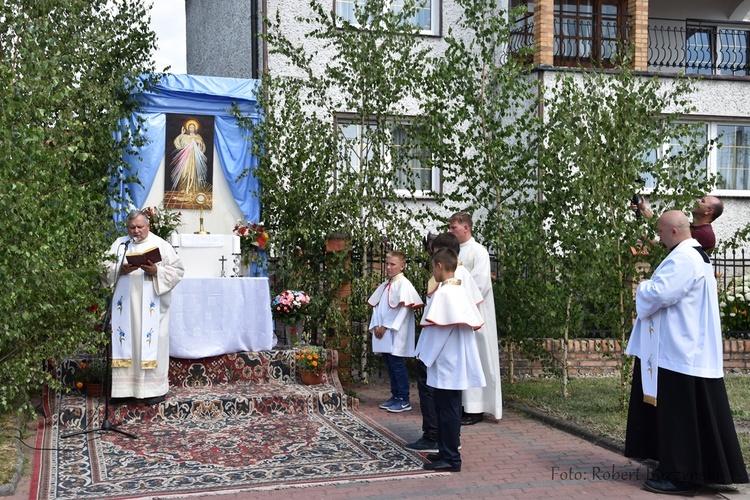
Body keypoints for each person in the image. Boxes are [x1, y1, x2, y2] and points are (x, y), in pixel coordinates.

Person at [624, 210, 748, 495]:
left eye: (660, 233)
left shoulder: (683, 258)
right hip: (686, 348)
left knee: (679, 418)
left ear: (674, 232)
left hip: (679, 351)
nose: (659, 238)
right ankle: (696, 470)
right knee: (692, 416)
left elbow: (660, 294)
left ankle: (681, 477)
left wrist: (642, 286)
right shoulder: (695, 255)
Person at [405, 232, 483, 453]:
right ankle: (446, 444)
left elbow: (444, 325)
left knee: (444, 404)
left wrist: (425, 356)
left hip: (444, 355)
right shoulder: (455, 284)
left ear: (441, 261)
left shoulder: (452, 286)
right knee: (447, 404)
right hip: (449, 354)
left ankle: (441, 443)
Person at [102, 210, 185, 405]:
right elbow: (103, 267)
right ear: (127, 228)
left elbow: (178, 270)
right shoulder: (120, 245)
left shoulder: (161, 245)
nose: (136, 231)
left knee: (152, 345)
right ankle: (124, 390)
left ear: (148, 226)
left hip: (152, 310)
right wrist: (120, 269)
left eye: (140, 227)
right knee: (127, 343)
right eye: (132, 227)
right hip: (126, 310)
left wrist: (157, 270)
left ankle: (153, 390)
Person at [448, 211, 502, 425]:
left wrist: (457, 297)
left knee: (477, 358)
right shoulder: (452, 251)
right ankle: (462, 406)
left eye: (453, 228)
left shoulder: (479, 252)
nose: (450, 231)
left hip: (476, 315)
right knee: (461, 360)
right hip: (457, 314)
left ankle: (476, 409)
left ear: (466, 228)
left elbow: (480, 284)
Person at [367, 251, 424, 413]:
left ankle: (404, 399)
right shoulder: (386, 285)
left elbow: (403, 310)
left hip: (396, 332)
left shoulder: (404, 284)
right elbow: (377, 307)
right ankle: (395, 395)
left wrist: (386, 326)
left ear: (402, 266)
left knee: (397, 364)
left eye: (392, 264)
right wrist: (376, 325)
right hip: (383, 332)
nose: (388, 267)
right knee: (389, 364)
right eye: (387, 263)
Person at [632, 195, 723, 254]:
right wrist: (644, 210)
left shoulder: (704, 234)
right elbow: (666, 225)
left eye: (702, 201)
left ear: (709, 211)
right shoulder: (694, 227)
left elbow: (666, 251)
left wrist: (644, 236)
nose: (697, 201)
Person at [170, 120, 208, 194]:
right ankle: (183, 188)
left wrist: (200, 143)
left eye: (193, 127)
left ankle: (192, 189)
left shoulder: (198, 136)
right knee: (184, 172)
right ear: (188, 128)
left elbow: (202, 147)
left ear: (195, 128)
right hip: (186, 156)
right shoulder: (185, 136)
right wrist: (181, 134)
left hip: (194, 156)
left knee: (193, 173)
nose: (191, 129)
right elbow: (177, 143)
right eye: (190, 127)